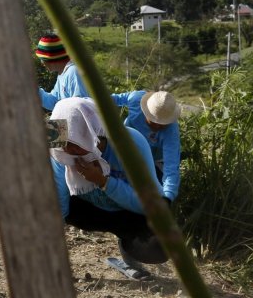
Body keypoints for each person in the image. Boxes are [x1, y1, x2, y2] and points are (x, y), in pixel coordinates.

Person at [49, 97, 167, 267]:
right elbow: (59, 191)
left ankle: (127, 244)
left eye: (74, 143)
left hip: (125, 212)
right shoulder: (61, 152)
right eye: (64, 144)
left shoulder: (131, 143)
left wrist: (103, 181)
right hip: (89, 210)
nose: (68, 150)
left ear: (91, 133)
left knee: (159, 248)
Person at [110, 90, 182, 204]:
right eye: (154, 121)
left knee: (152, 193)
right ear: (146, 112)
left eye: (163, 123)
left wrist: (168, 197)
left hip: (153, 161)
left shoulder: (171, 131)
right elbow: (112, 99)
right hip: (126, 147)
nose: (158, 126)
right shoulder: (135, 99)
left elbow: (171, 165)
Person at [35, 34, 89, 111]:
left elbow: (81, 108)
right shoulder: (63, 73)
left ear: (52, 58)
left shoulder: (74, 72)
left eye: (42, 58)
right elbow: (53, 101)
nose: (42, 63)